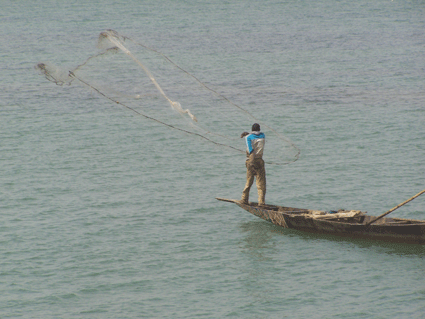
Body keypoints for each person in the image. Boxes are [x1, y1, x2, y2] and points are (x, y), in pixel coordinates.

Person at [240, 123, 266, 205]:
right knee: (261, 183)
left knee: (249, 182)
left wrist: (246, 135)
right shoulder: (263, 136)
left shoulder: (248, 138)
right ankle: (261, 202)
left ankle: (244, 199)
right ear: (259, 129)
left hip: (251, 161)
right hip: (260, 161)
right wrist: (248, 134)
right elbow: (256, 136)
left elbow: (250, 149)